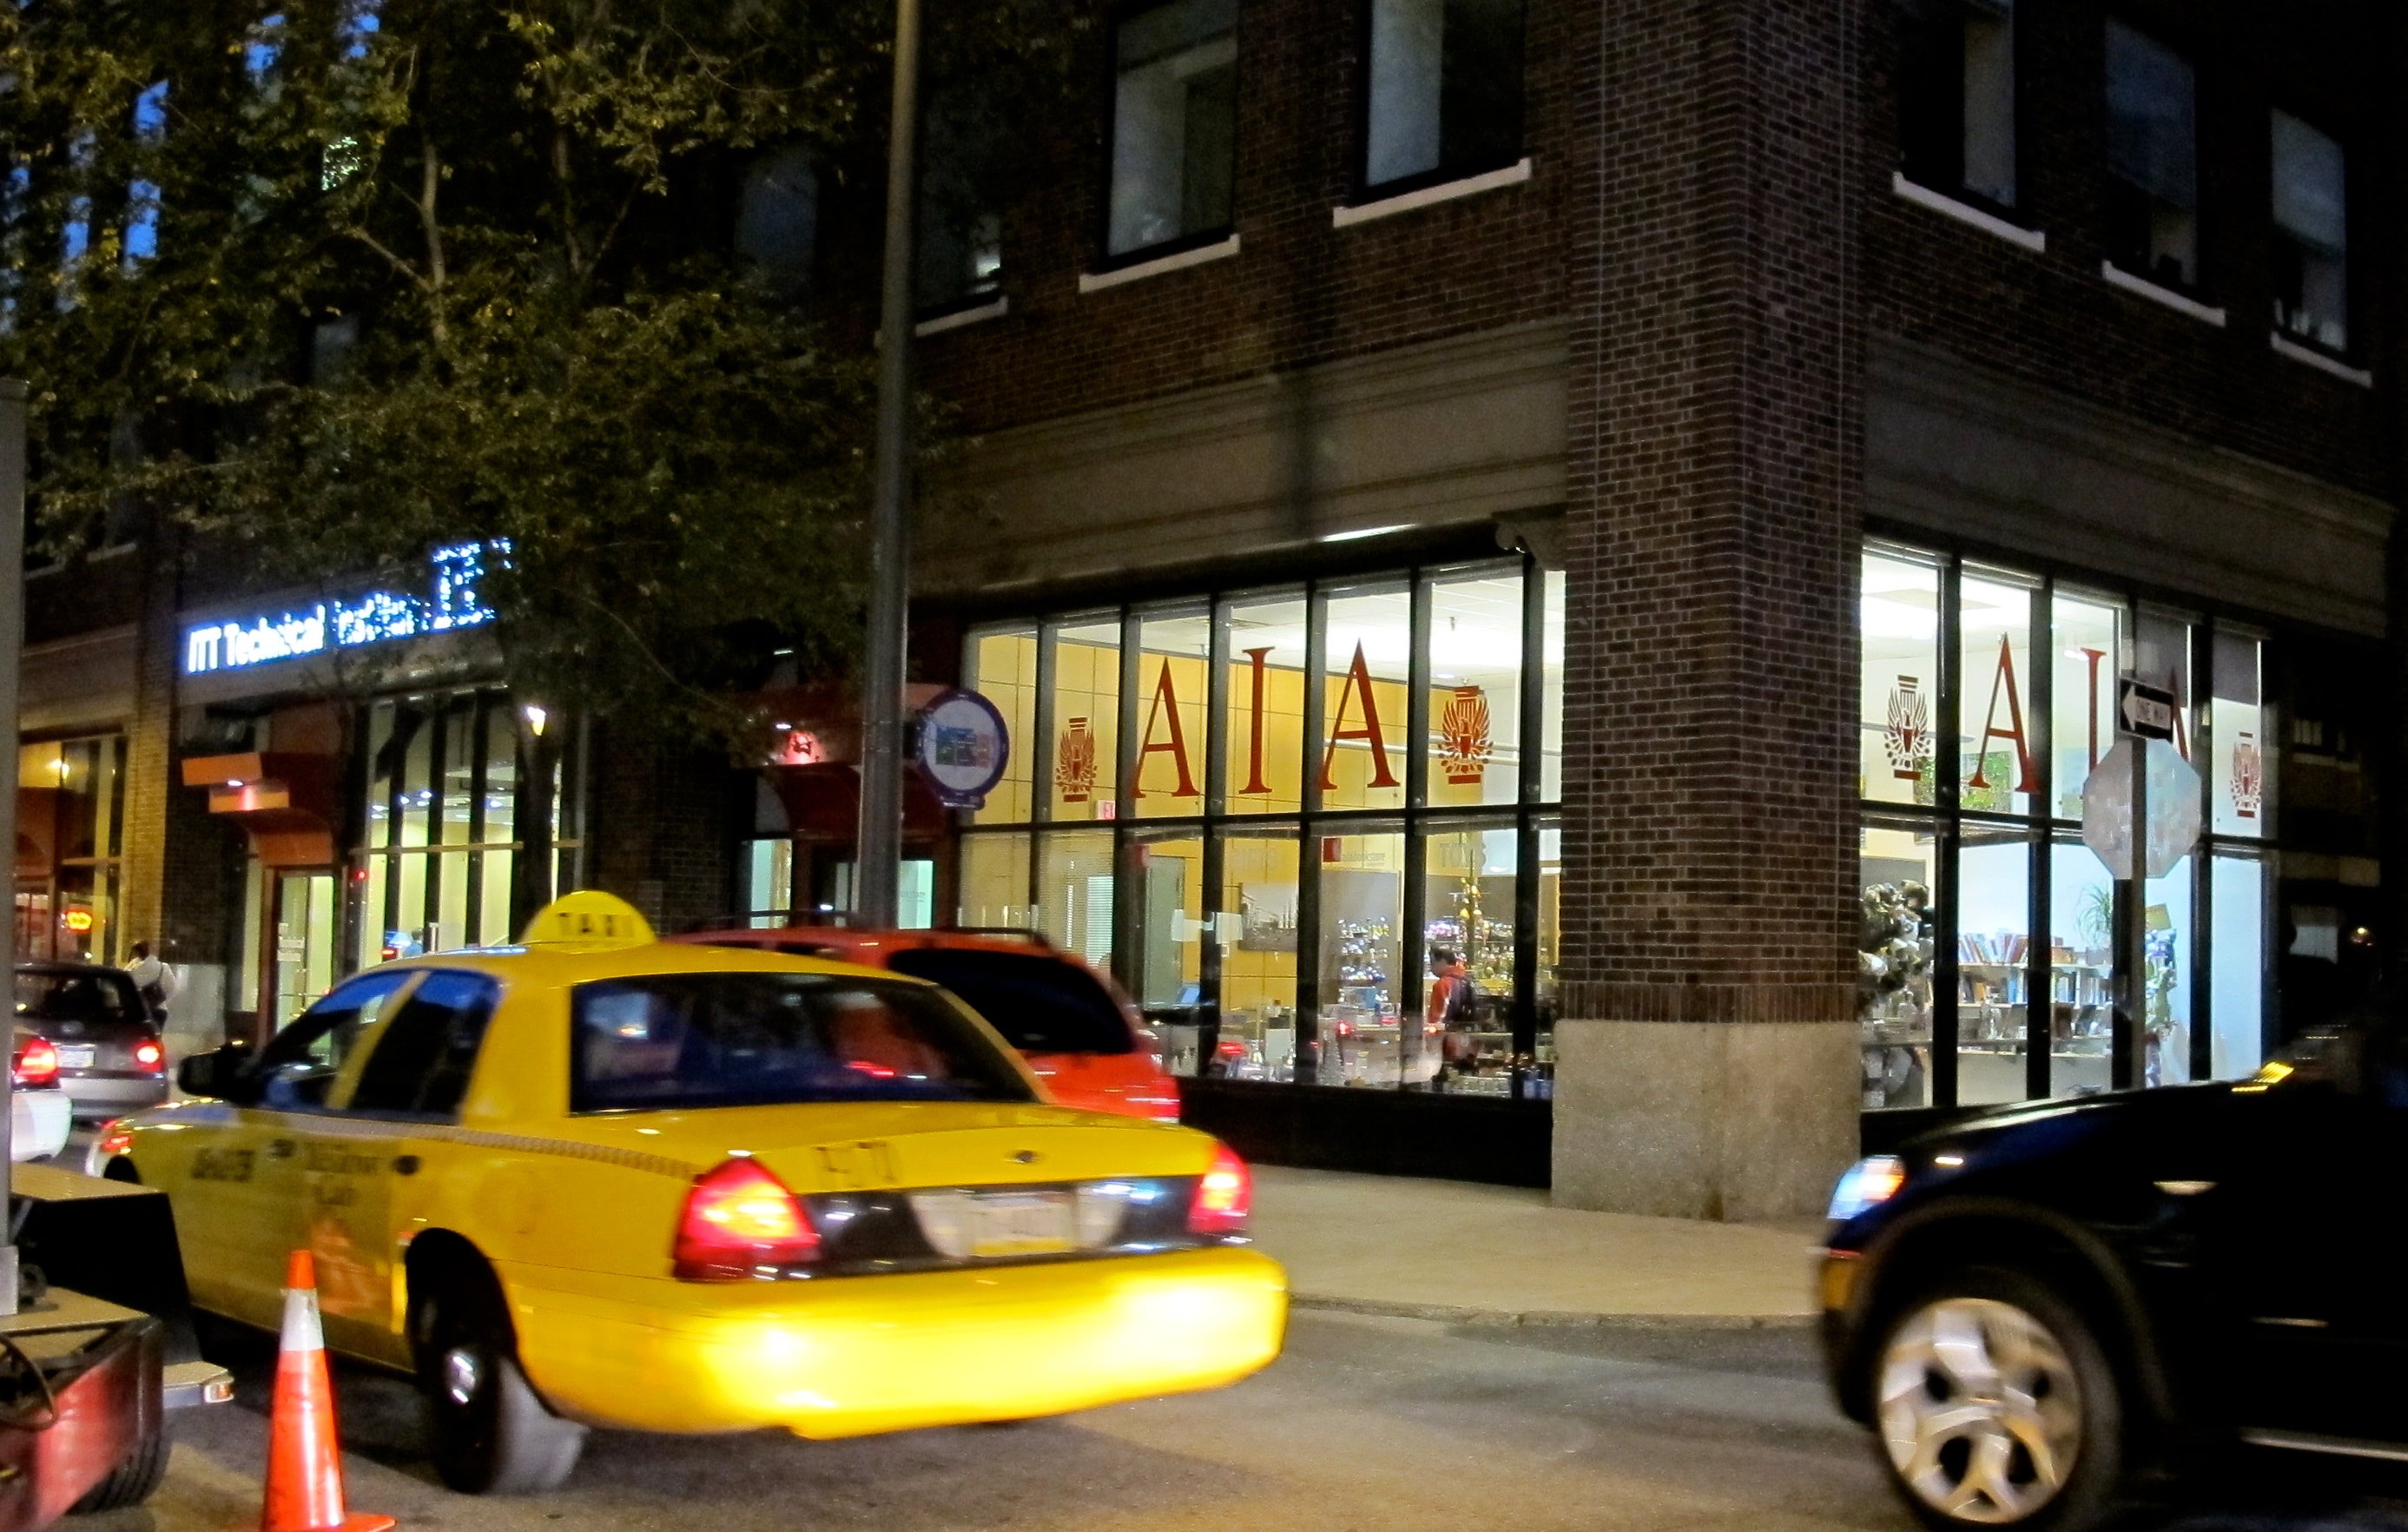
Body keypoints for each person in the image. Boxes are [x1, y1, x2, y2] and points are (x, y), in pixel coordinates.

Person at [127, 941, 178, 1025]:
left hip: (135, 1011)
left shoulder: (130, 969)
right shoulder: (163, 967)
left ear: (136, 952)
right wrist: (159, 1002)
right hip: (158, 1010)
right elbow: (172, 988)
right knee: (154, 1036)